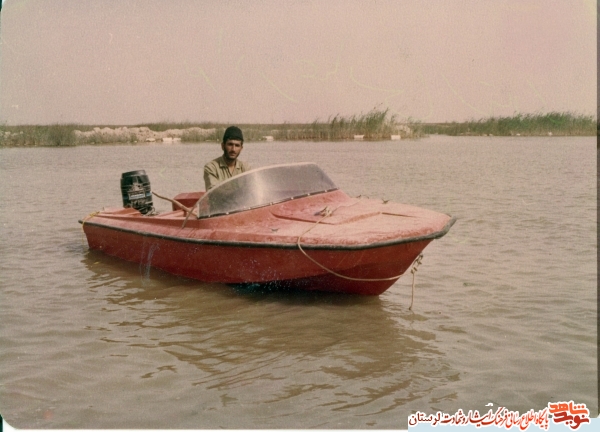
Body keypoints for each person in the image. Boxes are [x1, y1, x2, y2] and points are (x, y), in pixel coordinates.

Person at [203, 126, 251, 190]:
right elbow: (214, 192)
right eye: (230, 144)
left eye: (237, 145)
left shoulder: (245, 168)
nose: (233, 149)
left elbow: (252, 189)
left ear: (241, 148)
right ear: (223, 146)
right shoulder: (211, 167)